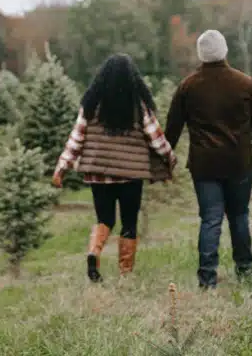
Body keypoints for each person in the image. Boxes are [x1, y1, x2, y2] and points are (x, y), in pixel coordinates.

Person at [165, 29, 252, 289]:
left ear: (201, 54)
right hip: (239, 162)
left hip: (204, 165)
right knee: (239, 216)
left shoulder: (188, 86)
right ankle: (245, 271)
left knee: (210, 218)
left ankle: (207, 279)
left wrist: (166, 159)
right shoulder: (245, 83)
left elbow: (172, 128)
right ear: (225, 50)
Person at [52, 54, 176, 282]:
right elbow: (156, 139)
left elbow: (76, 138)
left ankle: (94, 252)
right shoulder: (138, 106)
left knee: (105, 219)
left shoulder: (91, 105)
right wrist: (170, 158)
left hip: (98, 174)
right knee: (129, 222)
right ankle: (125, 273)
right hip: (130, 176)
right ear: (133, 79)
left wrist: (62, 166)